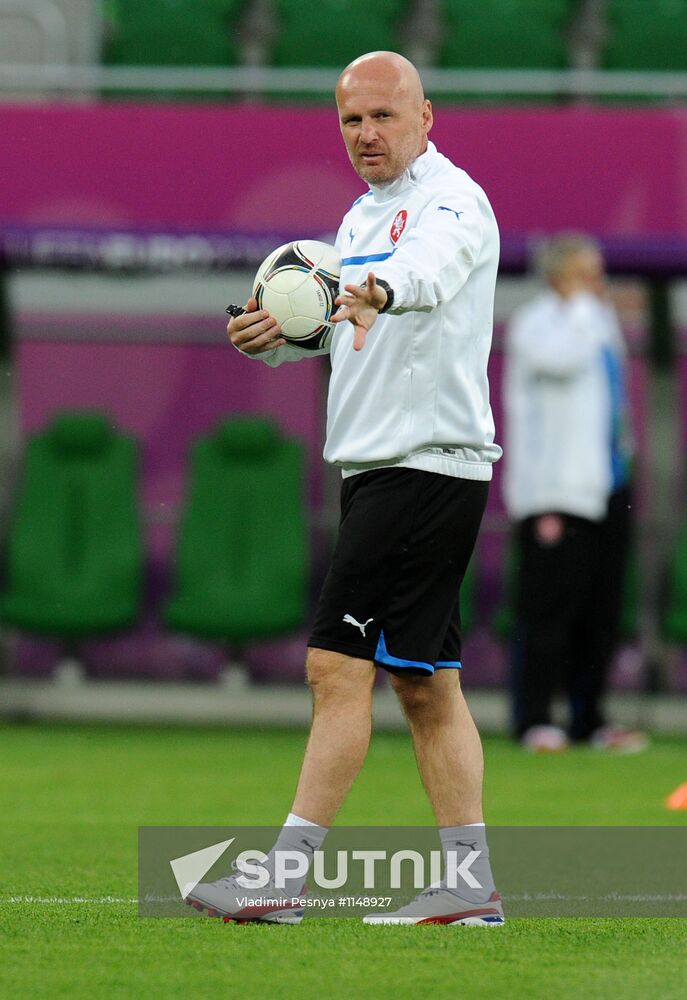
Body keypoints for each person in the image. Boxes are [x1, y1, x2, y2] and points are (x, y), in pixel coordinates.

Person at [187, 51, 504, 925]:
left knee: (335, 667)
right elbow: (340, 328)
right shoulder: (359, 216)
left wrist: (373, 286)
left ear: (425, 116)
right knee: (425, 684)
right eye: (350, 120)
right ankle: (469, 886)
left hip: (423, 463)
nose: (366, 134)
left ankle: (283, 878)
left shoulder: (451, 201)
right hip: (383, 467)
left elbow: (426, 276)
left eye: (383, 116)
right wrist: (277, 337)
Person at [503, 233, 646, 753]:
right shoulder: (537, 324)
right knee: (547, 610)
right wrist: (585, 306)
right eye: (589, 273)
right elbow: (560, 361)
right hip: (554, 491)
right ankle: (535, 717)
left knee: (601, 609)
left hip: (607, 484)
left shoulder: (597, 320)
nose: (599, 283)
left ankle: (590, 718)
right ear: (561, 276)